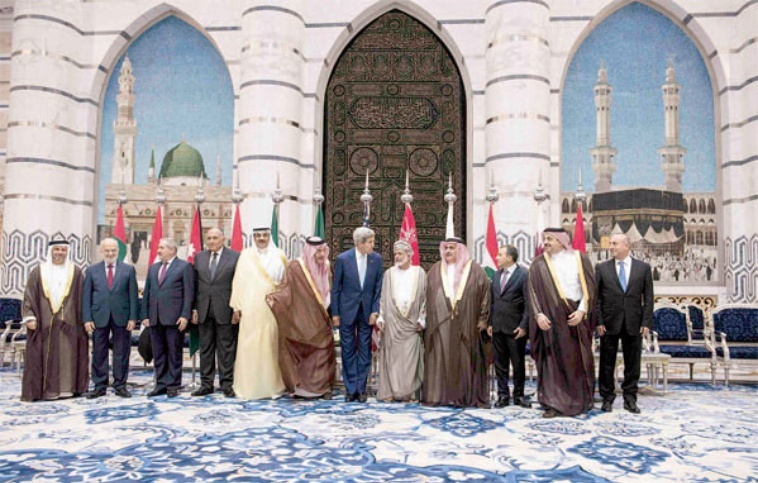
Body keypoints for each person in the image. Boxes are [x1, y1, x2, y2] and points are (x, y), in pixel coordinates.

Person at [527, 228, 596, 418]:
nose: (546, 242)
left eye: (550, 239)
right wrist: (538, 314)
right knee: (552, 361)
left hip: (575, 317)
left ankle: (579, 400)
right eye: (545, 238)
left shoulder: (580, 259)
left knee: (576, 359)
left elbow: (589, 289)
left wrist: (582, 311)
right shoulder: (538, 264)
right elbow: (531, 292)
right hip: (550, 319)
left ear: (562, 241)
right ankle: (552, 402)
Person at [423, 238, 491, 408]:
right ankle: (442, 396)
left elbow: (485, 297)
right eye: (445, 248)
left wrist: (483, 318)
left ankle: (465, 397)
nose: (447, 252)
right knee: (442, 357)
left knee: (465, 359)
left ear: (460, 250)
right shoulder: (434, 270)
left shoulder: (476, 271)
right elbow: (426, 296)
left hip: (467, 323)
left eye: (451, 248)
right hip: (441, 324)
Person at [267, 236, 335, 400]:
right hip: (301, 316)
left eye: (322, 250)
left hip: (322, 315)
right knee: (301, 351)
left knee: (323, 351)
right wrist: (275, 298)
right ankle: (302, 388)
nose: (320, 254)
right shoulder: (296, 267)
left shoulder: (327, 265)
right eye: (317, 251)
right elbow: (286, 288)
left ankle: (322, 388)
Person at [21, 238, 89, 401]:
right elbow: (29, 296)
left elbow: (83, 298)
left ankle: (68, 389)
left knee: (68, 355)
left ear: (67, 252)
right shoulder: (39, 271)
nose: (60, 253)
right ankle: (46, 390)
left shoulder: (76, 272)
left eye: (63, 250)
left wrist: (85, 320)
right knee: (45, 355)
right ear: (51, 251)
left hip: (70, 323)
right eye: (57, 249)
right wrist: (29, 316)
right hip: (44, 322)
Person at [595, 233, 654, 414]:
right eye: (610, 243)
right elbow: (596, 298)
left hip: (634, 323)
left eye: (615, 243)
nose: (611, 246)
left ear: (627, 246)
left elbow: (649, 298)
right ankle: (607, 398)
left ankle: (630, 399)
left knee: (633, 364)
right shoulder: (602, 268)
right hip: (609, 323)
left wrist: (646, 322)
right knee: (606, 363)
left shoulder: (643, 268)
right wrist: (599, 321)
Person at [230, 227, 287, 399]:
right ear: (253, 237)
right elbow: (238, 281)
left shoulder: (280, 255)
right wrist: (236, 307)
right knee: (250, 345)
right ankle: (248, 387)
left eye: (265, 235)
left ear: (269, 236)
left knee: (270, 345)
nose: (261, 238)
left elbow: (286, 282)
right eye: (258, 235)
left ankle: (272, 387)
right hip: (250, 307)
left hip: (272, 307)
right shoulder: (245, 255)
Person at [331, 226, 383, 403]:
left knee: (364, 351)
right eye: (370, 242)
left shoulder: (376, 259)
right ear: (359, 244)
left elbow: (378, 288)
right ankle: (350, 388)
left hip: (367, 313)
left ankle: (361, 389)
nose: (373, 245)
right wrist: (335, 313)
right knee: (347, 350)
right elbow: (336, 288)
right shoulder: (343, 259)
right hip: (347, 311)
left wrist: (375, 310)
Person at [82, 238, 139, 399]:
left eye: (113, 250)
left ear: (118, 251)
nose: (110, 253)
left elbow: (133, 296)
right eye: (107, 250)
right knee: (99, 352)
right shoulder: (92, 271)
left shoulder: (128, 270)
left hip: (122, 317)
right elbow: (86, 297)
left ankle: (120, 385)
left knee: (121, 352)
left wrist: (133, 318)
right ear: (102, 251)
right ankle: (100, 385)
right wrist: (87, 319)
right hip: (98, 317)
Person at [141, 238, 195, 398]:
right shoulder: (153, 268)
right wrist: (144, 315)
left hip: (174, 318)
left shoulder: (184, 267)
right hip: (155, 318)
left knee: (174, 352)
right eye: (158, 247)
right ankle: (161, 384)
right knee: (158, 353)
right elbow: (147, 293)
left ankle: (173, 384)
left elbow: (189, 294)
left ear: (172, 250)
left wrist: (185, 315)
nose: (158, 250)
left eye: (162, 248)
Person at [190, 228, 240, 398]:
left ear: (223, 239)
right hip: (204, 310)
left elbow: (238, 284)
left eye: (215, 238)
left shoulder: (234, 257)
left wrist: (237, 307)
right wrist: (195, 308)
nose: (211, 241)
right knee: (206, 348)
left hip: (225, 309)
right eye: (209, 238)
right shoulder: (200, 257)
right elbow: (195, 285)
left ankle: (227, 384)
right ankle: (206, 384)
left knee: (226, 349)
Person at [376, 240, 427, 402]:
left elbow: (425, 298)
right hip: (392, 323)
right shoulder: (389, 273)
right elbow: (383, 297)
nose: (397, 256)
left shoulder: (419, 273)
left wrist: (422, 318)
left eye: (400, 253)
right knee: (392, 359)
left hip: (412, 323)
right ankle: (390, 391)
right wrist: (381, 316)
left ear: (409, 255)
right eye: (395, 254)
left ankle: (411, 393)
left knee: (410, 359)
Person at [487, 244, 530, 408]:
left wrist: (524, 325)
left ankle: (518, 395)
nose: (497, 257)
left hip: (515, 328)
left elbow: (528, 303)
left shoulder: (524, 274)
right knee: (500, 364)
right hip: (498, 327)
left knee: (518, 364)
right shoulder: (496, 275)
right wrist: (491, 322)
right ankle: (503, 396)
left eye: (500, 255)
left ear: (510, 258)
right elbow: (493, 301)